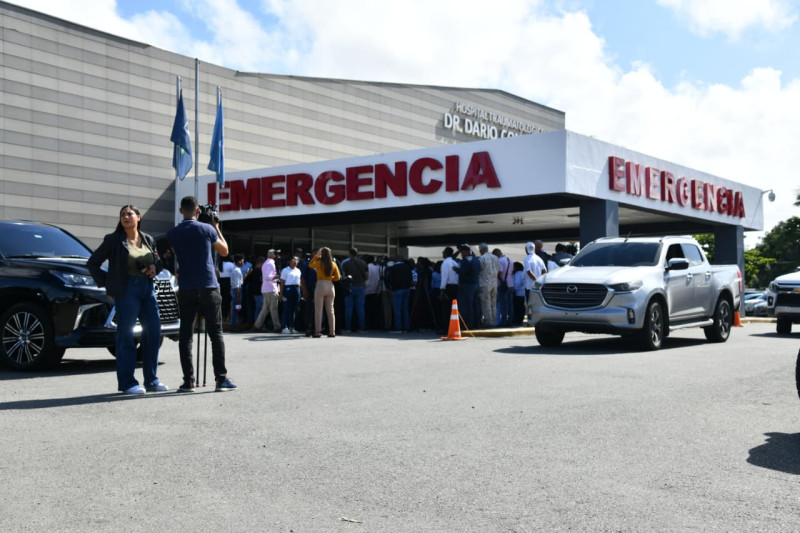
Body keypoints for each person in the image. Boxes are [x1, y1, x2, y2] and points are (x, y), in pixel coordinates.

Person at [87, 205, 167, 395]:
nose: (125, 216)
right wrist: (109, 285)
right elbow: (93, 263)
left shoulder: (148, 239)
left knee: (153, 332)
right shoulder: (114, 240)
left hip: (147, 288)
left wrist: (155, 267)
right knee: (126, 335)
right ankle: (127, 383)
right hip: (126, 290)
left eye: (130, 214)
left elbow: (158, 261)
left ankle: (152, 380)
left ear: (138, 217)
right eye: (123, 214)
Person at [166, 196, 237, 392]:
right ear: (197, 210)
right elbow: (224, 251)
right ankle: (221, 379)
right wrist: (215, 226)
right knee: (216, 334)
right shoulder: (207, 229)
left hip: (186, 286)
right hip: (208, 285)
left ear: (181, 211)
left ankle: (188, 380)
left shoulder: (172, 233)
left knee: (186, 335)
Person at [308, 247, 341, 337]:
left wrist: (316, 256)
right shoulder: (333, 264)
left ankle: (318, 332)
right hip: (330, 285)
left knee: (318, 310)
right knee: (330, 310)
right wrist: (330, 278)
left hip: (320, 284)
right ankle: (332, 331)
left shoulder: (319, 263)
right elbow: (338, 277)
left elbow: (310, 265)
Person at [341, 248, 369, 332]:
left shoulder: (346, 264)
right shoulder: (363, 263)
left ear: (349, 254)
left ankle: (347, 327)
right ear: (357, 254)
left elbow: (343, 276)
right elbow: (366, 277)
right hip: (360, 287)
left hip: (349, 287)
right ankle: (362, 327)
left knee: (348, 308)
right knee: (360, 308)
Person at [254, 249, 281, 333]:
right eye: (276, 254)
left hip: (266, 289)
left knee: (265, 309)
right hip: (271, 288)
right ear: (272, 255)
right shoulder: (270, 263)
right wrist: (277, 276)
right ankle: (277, 326)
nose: (277, 256)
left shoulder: (266, 263)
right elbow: (266, 277)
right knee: (273, 309)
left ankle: (257, 325)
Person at [454, 243, 481, 329]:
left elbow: (462, 272)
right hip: (476, 283)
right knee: (475, 305)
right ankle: (477, 323)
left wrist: (456, 269)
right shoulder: (476, 259)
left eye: (462, 252)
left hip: (467, 285)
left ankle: (468, 324)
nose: (461, 254)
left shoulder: (466, 260)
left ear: (465, 251)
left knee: (467, 305)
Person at [385, 255, 413, 332]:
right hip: (407, 289)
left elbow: (389, 279)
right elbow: (411, 278)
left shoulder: (393, 268)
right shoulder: (407, 267)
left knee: (397, 310)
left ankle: (398, 327)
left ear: (395, 260)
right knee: (405, 309)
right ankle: (406, 327)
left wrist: (391, 287)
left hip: (397, 290)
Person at [523, 241, 547, 323]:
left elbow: (529, 271)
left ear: (526, 249)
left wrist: (536, 281)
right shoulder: (539, 259)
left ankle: (530, 321)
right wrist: (541, 281)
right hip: (538, 287)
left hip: (529, 286)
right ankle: (537, 320)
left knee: (529, 305)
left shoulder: (527, 259)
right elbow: (545, 271)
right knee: (538, 304)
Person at [478, 243, 499, 328]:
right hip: (494, 282)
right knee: (493, 303)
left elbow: (479, 269)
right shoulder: (495, 258)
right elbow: (498, 269)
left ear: (481, 250)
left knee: (485, 303)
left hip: (484, 283)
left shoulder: (482, 258)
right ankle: (493, 320)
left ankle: (488, 321)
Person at [439, 246, 459, 332]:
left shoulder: (445, 263)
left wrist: (442, 290)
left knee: (446, 309)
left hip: (448, 287)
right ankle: (453, 326)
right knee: (453, 308)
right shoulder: (455, 263)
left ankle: (446, 327)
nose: (442, 253)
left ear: (447, 253)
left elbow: (444, 278)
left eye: (444, 252)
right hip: (455, 287)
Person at [279, 255, 302, 333]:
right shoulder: (285, 270)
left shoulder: (298, 270)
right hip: (288, 289)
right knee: (287, 308)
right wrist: (281, 294)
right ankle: (284, 327)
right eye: (293, 260)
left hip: (296, 289)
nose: (295, 262)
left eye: (297, 260)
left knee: (293, 309)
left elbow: (300, 282)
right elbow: (282, 283)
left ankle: (292, 327)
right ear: (290, 261)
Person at [493, 248, 514, 327]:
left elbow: (500, 273)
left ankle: (503, 322)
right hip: (511, 284)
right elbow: (512, 272)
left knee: (503, 304)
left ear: (496, 254)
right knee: (510, 304)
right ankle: (510, 321)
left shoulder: (500, 261)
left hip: (503, 285)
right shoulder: (510, 260)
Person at [229, 254, 244, 330]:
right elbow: (236, 284)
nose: (243, 263)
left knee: (238, 308)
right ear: (239, 261)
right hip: (237, 291)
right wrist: (238, 296)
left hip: (237, 290)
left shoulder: (237, 269)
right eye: (242, 261)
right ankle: (234, 325)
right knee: (236, 308)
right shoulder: (236, 270)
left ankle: (236, 324)